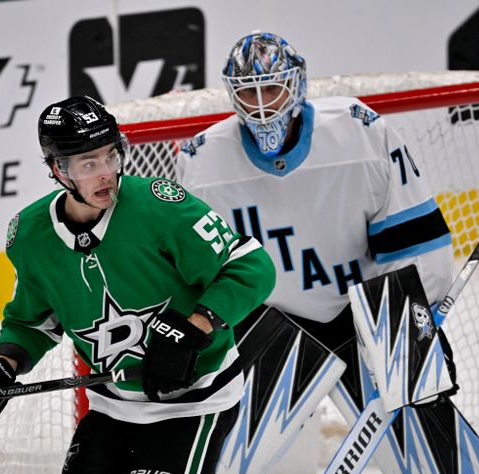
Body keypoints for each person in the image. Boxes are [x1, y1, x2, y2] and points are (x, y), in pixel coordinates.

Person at [0, 95, 276, 474]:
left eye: (110, 156)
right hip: (113, 404)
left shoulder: (161, 207)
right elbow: (32, 323)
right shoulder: (32, 236)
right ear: (58, 169)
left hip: (196, 398)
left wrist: (195, 329)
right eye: (88, 163)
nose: (105, 173)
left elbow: (251, 266)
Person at [176, 30, 454, 353]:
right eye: (249, 92)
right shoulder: (201, 163)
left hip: (365, 314)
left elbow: (414, 242)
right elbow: (197, 275)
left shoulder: (360, 133)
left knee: (423, 385)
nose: (262, 106)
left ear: (296, 85)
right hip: (266, 329)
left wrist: (410, 314)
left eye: (271, 88)